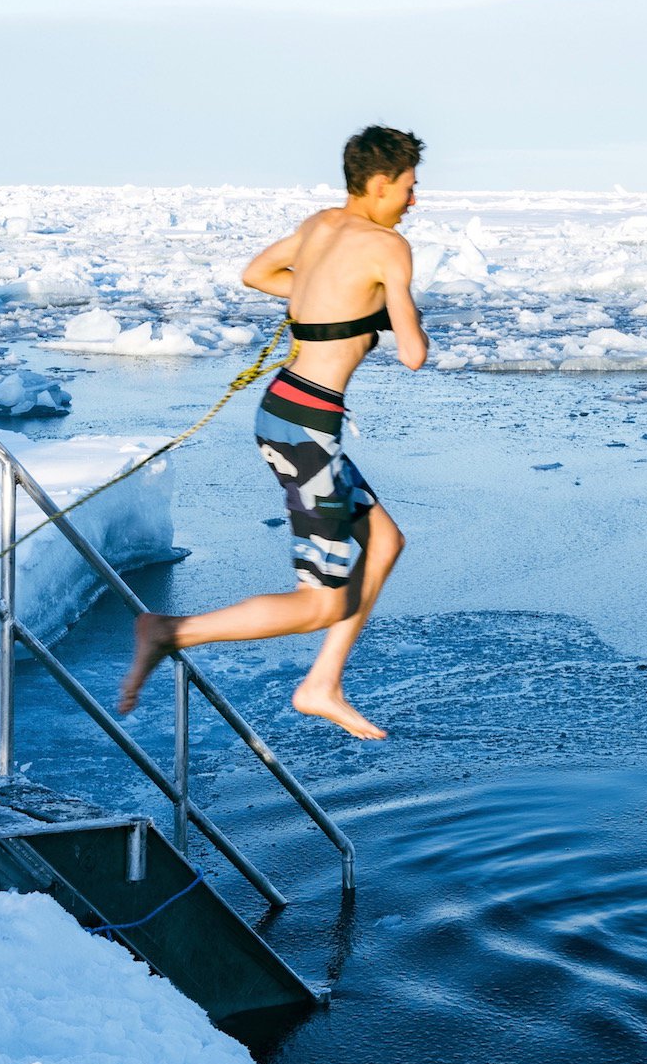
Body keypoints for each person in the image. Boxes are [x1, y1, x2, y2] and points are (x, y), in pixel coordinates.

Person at [119, 126, 430, 739]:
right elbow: (414, 353)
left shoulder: (320, 225)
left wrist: (325, 303)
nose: (414, 200)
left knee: (385, 543)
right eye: (409, 187)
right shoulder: (390, 247)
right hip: (308, 425)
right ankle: (170, 630)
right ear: (379, 184)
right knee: (320, 603)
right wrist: (393, 311)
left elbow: (257, 273)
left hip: (287, 409)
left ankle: (322, 684)